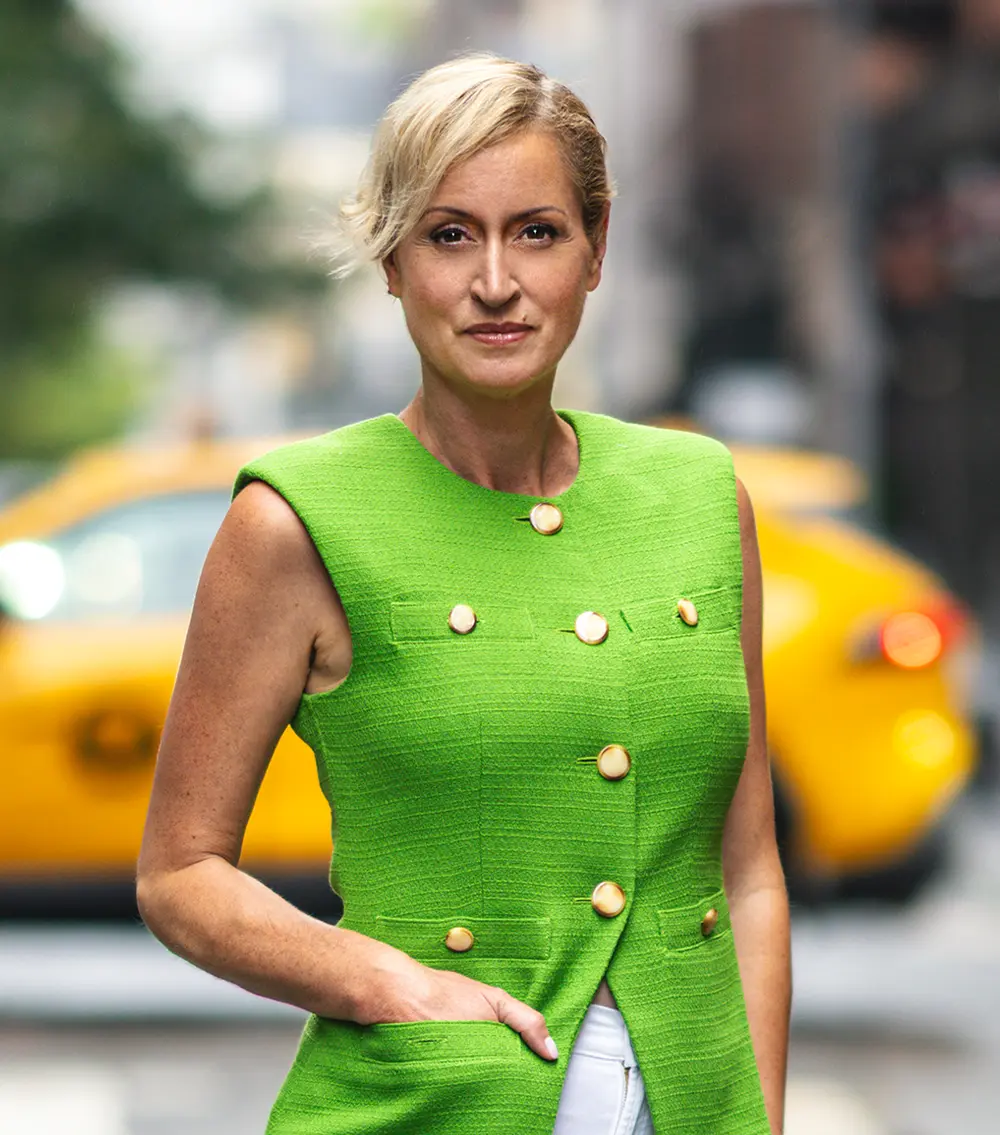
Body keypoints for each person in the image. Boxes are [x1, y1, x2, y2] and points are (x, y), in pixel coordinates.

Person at [137, 52, 791, 1135]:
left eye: (536, 230)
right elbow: (181, 874)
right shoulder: (297, 518)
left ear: (595, 247)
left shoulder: (700, 495)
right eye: (449, 235)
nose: (496, 281)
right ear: (392, 260)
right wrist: (384, 983)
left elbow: (749, 869)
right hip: (420, 1107)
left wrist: (755, 1118)